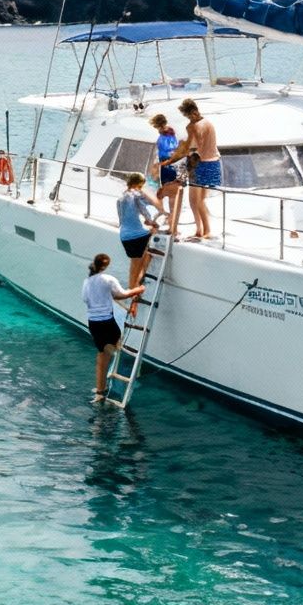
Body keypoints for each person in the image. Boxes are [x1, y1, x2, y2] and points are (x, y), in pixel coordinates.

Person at [82, 253, 145, 400]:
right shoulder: (109, 279)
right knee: (117, 345)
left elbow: (86, 299)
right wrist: (139, 289)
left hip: (93, 322)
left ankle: (100, 391)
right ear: (105, 266)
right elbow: (122, 294)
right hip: (106, 321)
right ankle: (133, 369)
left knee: (101, 356)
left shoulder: (87, 282)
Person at [178, 98, 222, 241]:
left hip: (199, 163)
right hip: (214, 162)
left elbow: (192, 147)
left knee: (194, 200)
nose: (189, 118)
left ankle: (203, 231)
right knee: (202, 199)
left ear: (194, 112)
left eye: (188, 116)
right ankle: (203, 230)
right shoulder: (208, 123)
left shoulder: (193, 127)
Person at [116, 172, 162, 302]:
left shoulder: (120, 200)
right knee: (139, 264)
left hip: (125, 236)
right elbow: (145, 212)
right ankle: (133, 293)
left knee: (137, 263)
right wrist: (153, 222)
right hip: (138, 236)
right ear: (139, 184)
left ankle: (133, 290)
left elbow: (121, 220)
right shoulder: (137, 195)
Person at [149, 112, 184, 236]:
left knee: (164, 194)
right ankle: (172, 224)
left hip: (166, 168)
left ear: (158, 126)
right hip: (174, 167)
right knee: (172, 197)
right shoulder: (173, 134)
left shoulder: (163, 138)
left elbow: (165, 153)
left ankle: (168, 220)